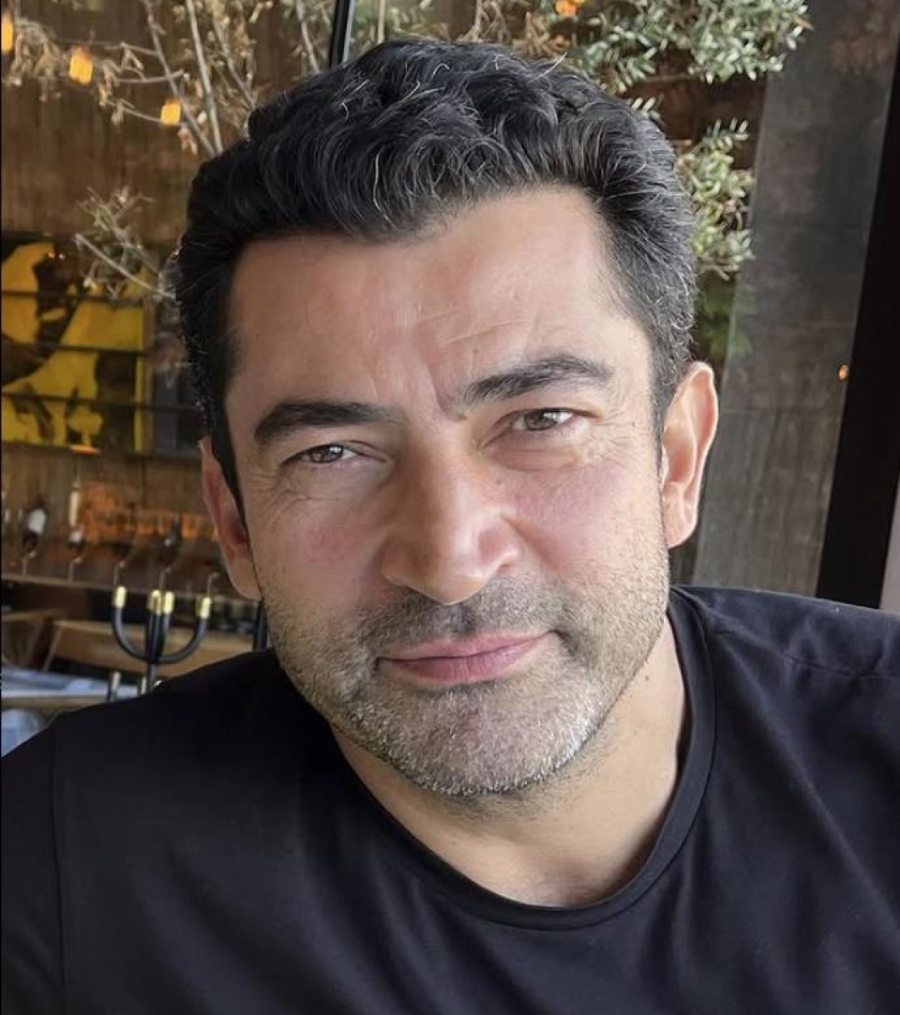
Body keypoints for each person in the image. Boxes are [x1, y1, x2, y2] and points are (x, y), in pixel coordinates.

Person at [3, 38, 898, 1015]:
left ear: (675, 458)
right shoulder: (65, 869)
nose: (450, 560)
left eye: (541, 420)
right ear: (235, 520)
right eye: (332, 452)